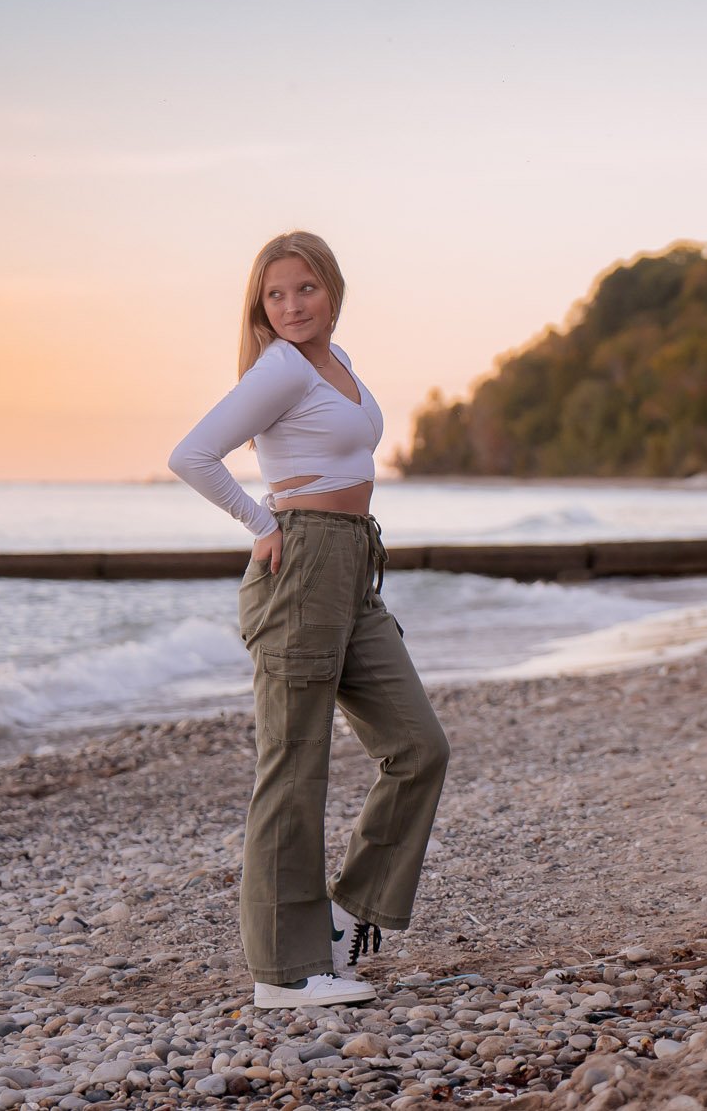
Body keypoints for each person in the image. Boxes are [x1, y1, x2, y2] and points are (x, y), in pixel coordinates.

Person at [168, 230, 450, 1010]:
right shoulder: (282, 367)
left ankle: (339, 915)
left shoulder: (338, 361)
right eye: (274, 294)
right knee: (294, 768)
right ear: (260, 307)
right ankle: (283, 972)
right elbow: (192, 454)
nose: (291, 306)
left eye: (306, 289)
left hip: (354, 564)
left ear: (333, 289)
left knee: (418, 745)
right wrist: (263, 523)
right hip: (302, 566)